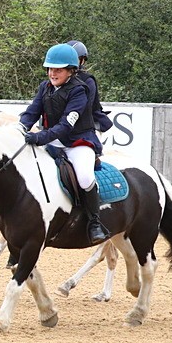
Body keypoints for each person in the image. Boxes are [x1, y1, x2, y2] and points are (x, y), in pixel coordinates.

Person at [20, 43, 109, 245]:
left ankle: (94, 223)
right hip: (53, 140)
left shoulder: (80, 90)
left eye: (58, 70)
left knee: (85, 177)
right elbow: (31, 113)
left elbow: (65, 126)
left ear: (71, 71)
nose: (52, 73)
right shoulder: (45, 87)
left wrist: (39, 138)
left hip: (78, 141)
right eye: (50, 69)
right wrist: (20, 129)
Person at [66, 40, 113, 136]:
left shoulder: (88, 81)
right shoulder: (57, 78)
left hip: (87, 125)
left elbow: (86, 108)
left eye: (75, 58)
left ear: (82, 60)